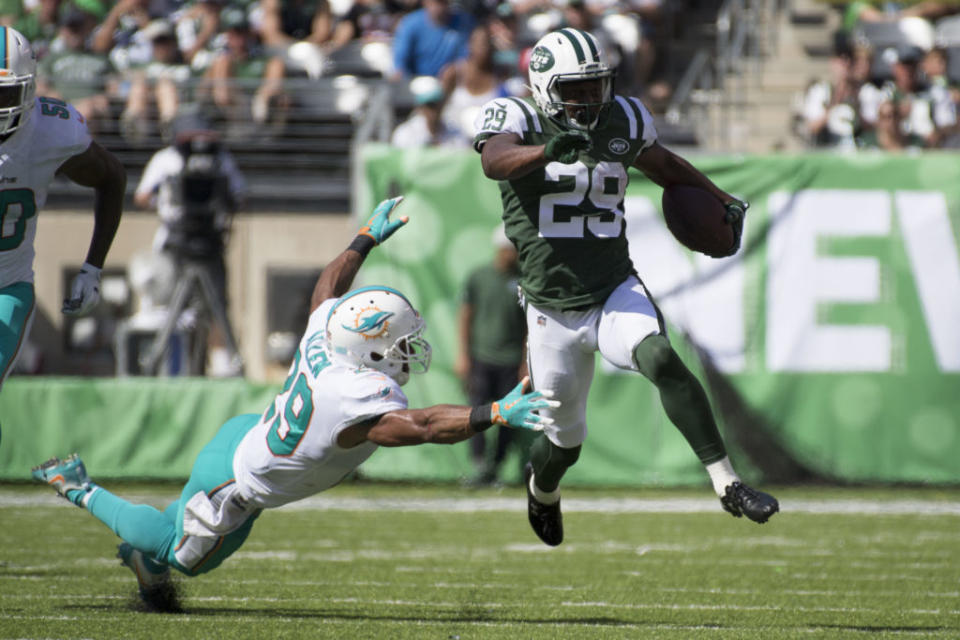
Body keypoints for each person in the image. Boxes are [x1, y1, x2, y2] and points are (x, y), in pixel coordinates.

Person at [32, 196, 559, 612]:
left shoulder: (328, 334)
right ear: (370, 347)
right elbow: (420, 426)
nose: (409, 351)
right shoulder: (356, 392)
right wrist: (491, 413)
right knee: (182, 556)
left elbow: (328, 284)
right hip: (239, 479)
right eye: (399, 343)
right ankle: (79, 486)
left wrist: (364, 238)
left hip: (250, 437)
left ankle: (140, 557)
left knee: (190, 533)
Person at [472, 28, 779, 547]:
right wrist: (547, 151)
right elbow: (493, 161)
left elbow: (665, 166)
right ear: (546, 87)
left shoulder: (624, 117)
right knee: (564, 445)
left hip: (614, 285)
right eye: (577, 88)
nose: (591, 99)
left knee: (660, 357)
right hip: (551, 307)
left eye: (597, 86)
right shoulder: (517, 118)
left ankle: (726, 481)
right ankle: (541, 488)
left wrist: (717, 195)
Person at [0, 26, 126, 411]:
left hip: (6, 287)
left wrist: (92, 268)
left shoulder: (52, 132)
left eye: (4, 93)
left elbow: (111, 177)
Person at [133, 112, 247, 376]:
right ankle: (166, 367)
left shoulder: (221, 158)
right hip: (174, 244)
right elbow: (142, 196)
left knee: (216, 304)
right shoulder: (165, 160)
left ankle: (222, 365)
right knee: (169, 308)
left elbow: (240, 195)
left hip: (210, 243)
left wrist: (221, 201)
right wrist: (168, 203)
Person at [455, 225, 527, 486]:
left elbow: (530, 325)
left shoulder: (524, 280)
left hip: (511, 361)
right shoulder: (479, 277)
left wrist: (525, 363)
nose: (514, 255)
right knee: (477, 413)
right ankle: (479, 467)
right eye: (511, 250)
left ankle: (495, 468)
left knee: (509, 417)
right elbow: (465, 316)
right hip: (481, 358)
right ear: (501, 249)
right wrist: (463, 356)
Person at [390, 0, 475, 79]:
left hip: (454, 82)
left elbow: (469, 57)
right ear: (425, 2)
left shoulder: (465, 22)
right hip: (418, 82)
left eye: (442, 2)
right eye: (435, 2)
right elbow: (400, 63)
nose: (438, 7)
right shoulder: (410, 24)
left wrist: (456, 68)